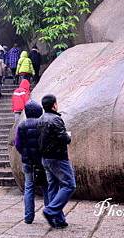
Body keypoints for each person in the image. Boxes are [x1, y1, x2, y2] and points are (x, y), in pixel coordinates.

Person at [37, 95, 75, 229]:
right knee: (69, 185)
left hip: (45, 159)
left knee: (53, 186)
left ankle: (58, 219)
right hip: (58, 158)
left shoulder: (40, 119)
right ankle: (51, 210)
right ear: (54, 105)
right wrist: (68, 136)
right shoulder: (56, 119)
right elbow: (64, 138)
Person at [15, 100, 49, 224]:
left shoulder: (22, 126)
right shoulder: (43, 124)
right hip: (42, 162)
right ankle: (50, 213)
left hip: (28, 162)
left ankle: (28, 217)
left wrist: (24, 153)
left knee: (29, 187)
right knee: (46, 187)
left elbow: (18, 144)